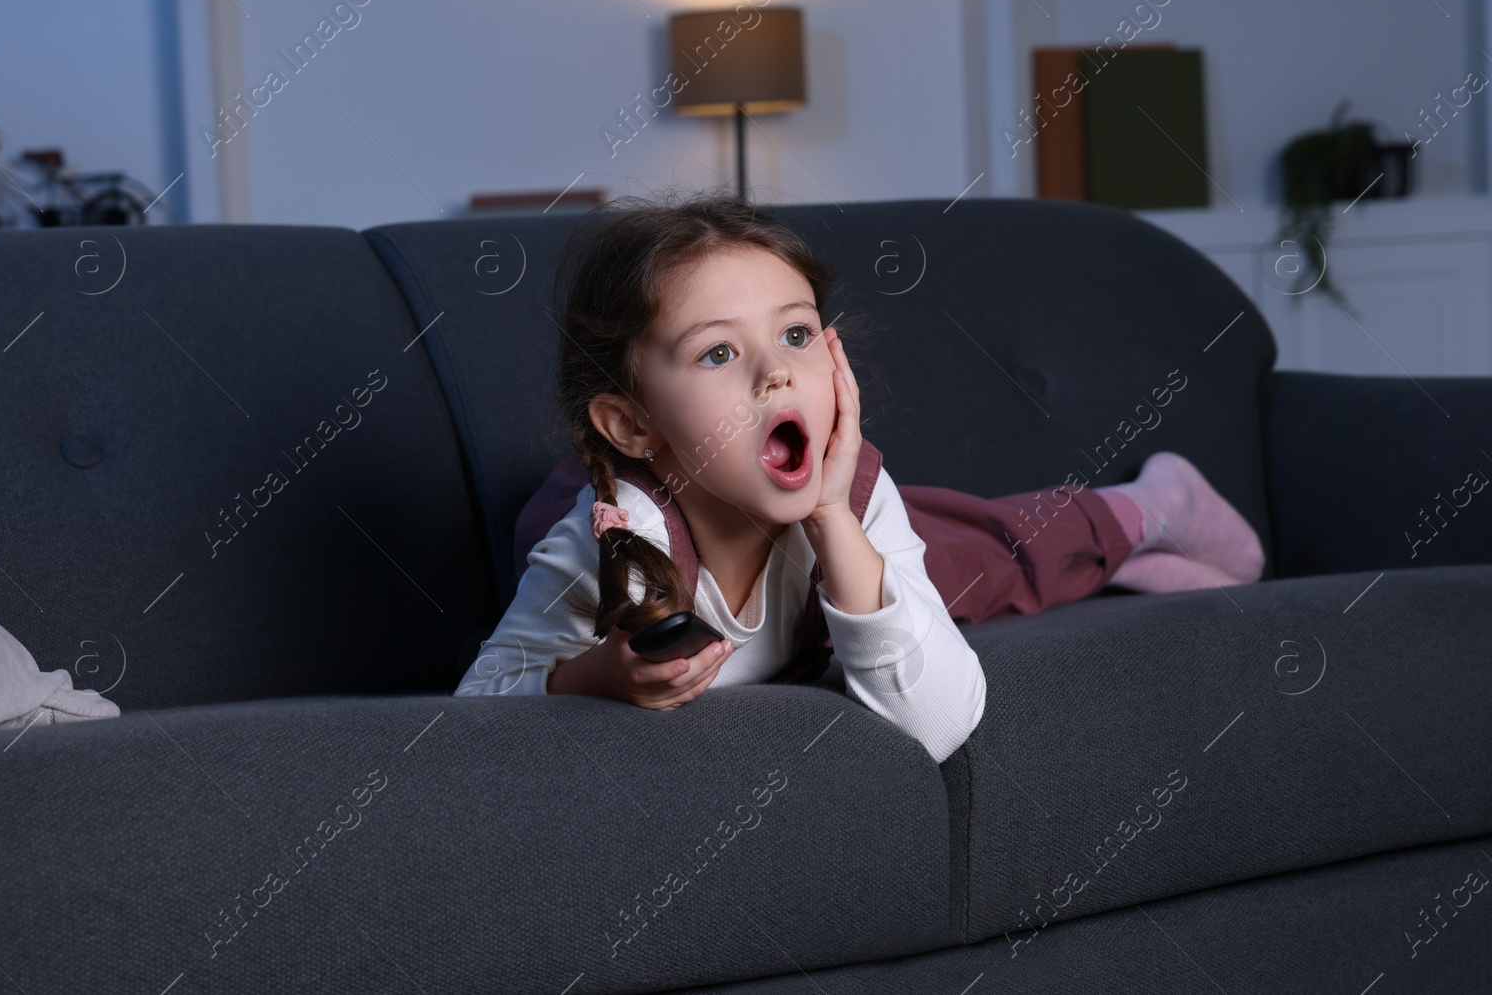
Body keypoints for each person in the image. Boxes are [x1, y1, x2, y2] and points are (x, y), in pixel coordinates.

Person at [453, 192, 1264, 764]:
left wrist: (836, 516)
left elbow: (943, 722)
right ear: (634, 424)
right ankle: (1133, 548)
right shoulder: (603, 547)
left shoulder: (854, 496)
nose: (776, 374)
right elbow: (474, 704)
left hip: (840, 556)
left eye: (797, 334)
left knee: (994, 556)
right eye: (718, 352)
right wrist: (599, 675)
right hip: (736, 566)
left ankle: (1149, 510)